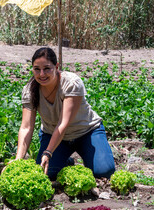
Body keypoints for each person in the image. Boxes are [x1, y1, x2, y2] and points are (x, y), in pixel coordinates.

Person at [15, 47, 115, 180]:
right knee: (47, 174)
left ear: (56, 66)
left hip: (86, 133)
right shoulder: (30, 90)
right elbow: (26, 127)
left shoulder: (71, 83)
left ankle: (85, 156)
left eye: (47, 68)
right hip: (52, 135)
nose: (42, 74)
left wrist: (48, 152)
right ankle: (65, 160)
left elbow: (63, 123)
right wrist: (18, 160)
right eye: (37, 69)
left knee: (104, 171)